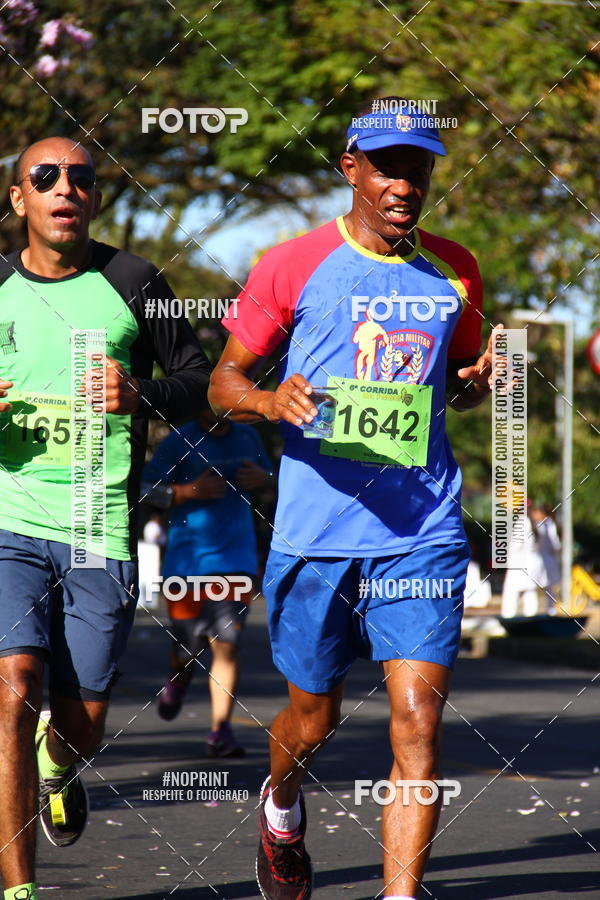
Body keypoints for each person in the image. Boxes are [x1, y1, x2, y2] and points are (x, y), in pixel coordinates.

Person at [209, 98, 501, 900]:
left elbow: (454, 384)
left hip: (422, 529)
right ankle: (281, 802)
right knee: (313, 720)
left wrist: (473, 386)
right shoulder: (291, 263)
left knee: (418, 722)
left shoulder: (456, 271)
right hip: (317, 532)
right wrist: (269, 402)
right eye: (387, 166)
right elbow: (223, 382)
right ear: (351, 168)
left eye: (418, 166)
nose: (404, 182)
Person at [0, 137, 211, 900]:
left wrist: (140, 392)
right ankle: (19, 890)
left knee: (80, 720)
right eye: (45, 177)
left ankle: (62, 765)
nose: (65, 189)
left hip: (96, 524)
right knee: (14, 688)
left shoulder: (134, 281)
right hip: (8, 522)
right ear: (20, 198)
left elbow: (203, 384)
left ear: (95, 198)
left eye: (81, 178)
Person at [144, 403, 272, 756]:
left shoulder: (248, 436)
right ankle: (179, 678)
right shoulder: (178, 441)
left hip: (236, 560)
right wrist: (187, 492)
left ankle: (220, 731)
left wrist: (264, 480)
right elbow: (145, 489)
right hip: (186, 562)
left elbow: (272, 475)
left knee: (226, 644)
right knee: (188, 646)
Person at [501, 501, 561, 617]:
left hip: (521, 562)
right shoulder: (540, 524)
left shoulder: (523, 523)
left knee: (511, 591)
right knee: (530, 590)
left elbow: (515, 546)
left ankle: (508, 616)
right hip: (535, 562)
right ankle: (531, 615)